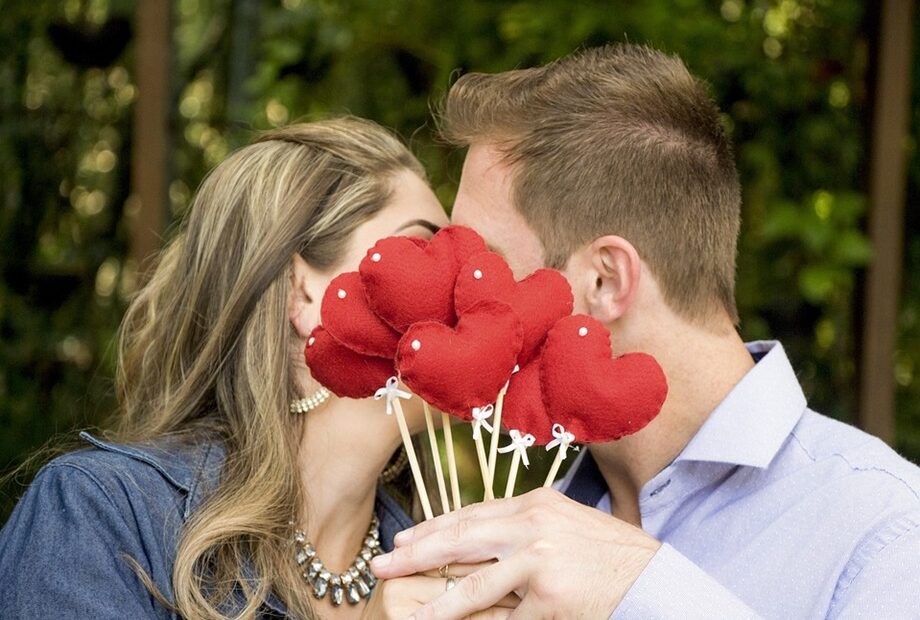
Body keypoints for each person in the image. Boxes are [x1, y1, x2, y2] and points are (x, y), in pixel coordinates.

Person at [370, 44, 920, 619]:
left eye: (487, 263)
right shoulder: (521, 534)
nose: (456, 304)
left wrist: (639, 590)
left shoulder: (886, 532)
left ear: (606, 280)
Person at [0, 117, 504, 619]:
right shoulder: (102, 518)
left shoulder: (443, 562)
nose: (466, 290)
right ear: (301, 292)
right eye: (425, 250)